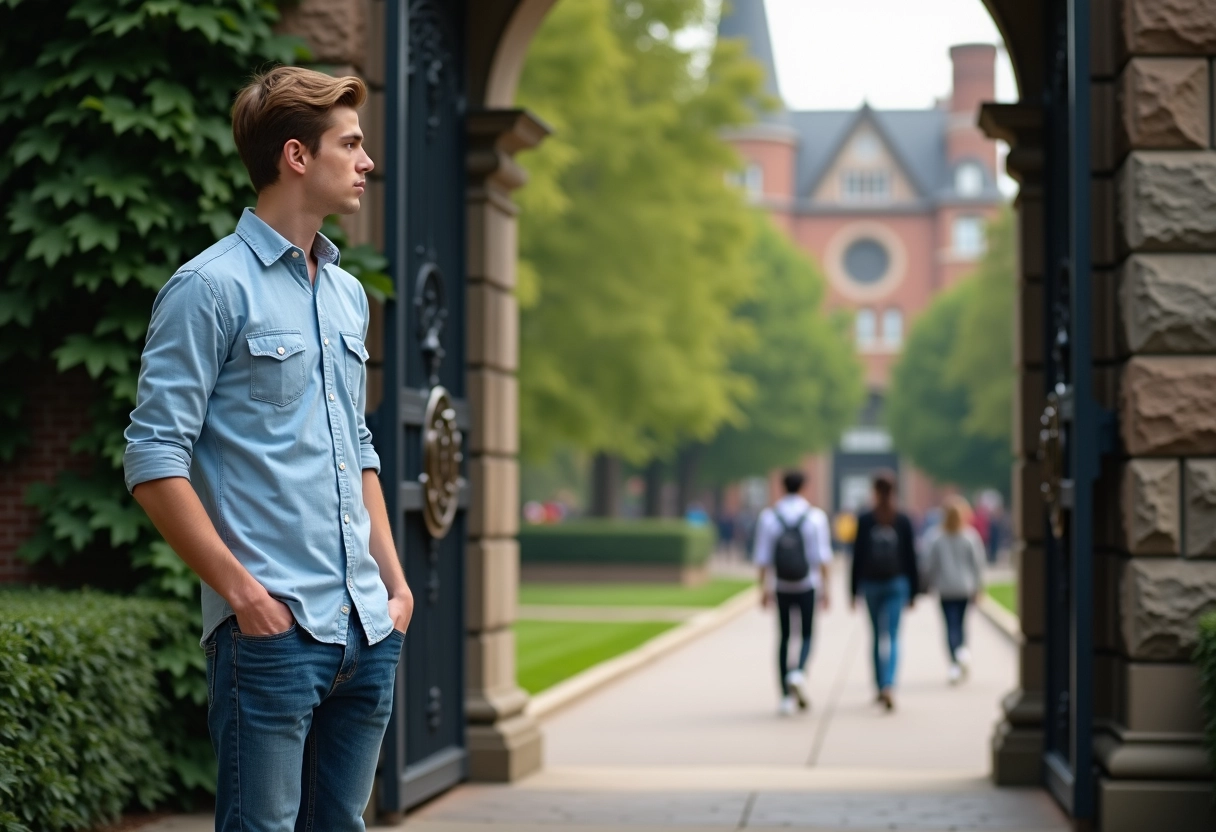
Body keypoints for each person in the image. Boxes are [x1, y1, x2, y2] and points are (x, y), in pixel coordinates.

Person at [123, 66, 413, 831]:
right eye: (349, 144)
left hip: (366, 627)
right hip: (273, 636)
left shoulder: (345, 295)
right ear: (296, 156)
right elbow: (154, 458)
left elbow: (357, 444)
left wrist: (395, 586)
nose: (366, 161)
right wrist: (244, 597)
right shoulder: (208, 288)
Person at [752, 471, 832, 716]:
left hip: (781, 584)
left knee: (784, 638)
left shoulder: (769, 517)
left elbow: (763, 557)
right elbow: (823, 556)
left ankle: (785, 697)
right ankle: (799, 672)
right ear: (804, 487)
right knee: (807, 634)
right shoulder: (815, 517)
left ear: (781, 487)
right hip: (808, 583)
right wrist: (827, 589)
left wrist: (763, 589)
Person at [850, 471, 918, 711]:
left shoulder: (866, 518)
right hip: (897, 582)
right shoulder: (903, 519)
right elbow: (911, 557)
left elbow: (856, 556)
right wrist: (914, 592)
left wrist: (852, 590)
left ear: (874, 491)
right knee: (894, 635)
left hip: (871, 583)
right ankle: (889, 684)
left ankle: (879, 686)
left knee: (877, 636)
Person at [924, 496, 987, 684]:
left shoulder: (936, 537)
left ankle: (954, 661)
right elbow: (978, 564)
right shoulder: (970, 537)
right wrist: (979, 586)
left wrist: (928, 583)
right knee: (961, 624)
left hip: (945, 589)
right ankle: (963, 652)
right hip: (965, 588)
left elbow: (929, 565)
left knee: (950, 626)